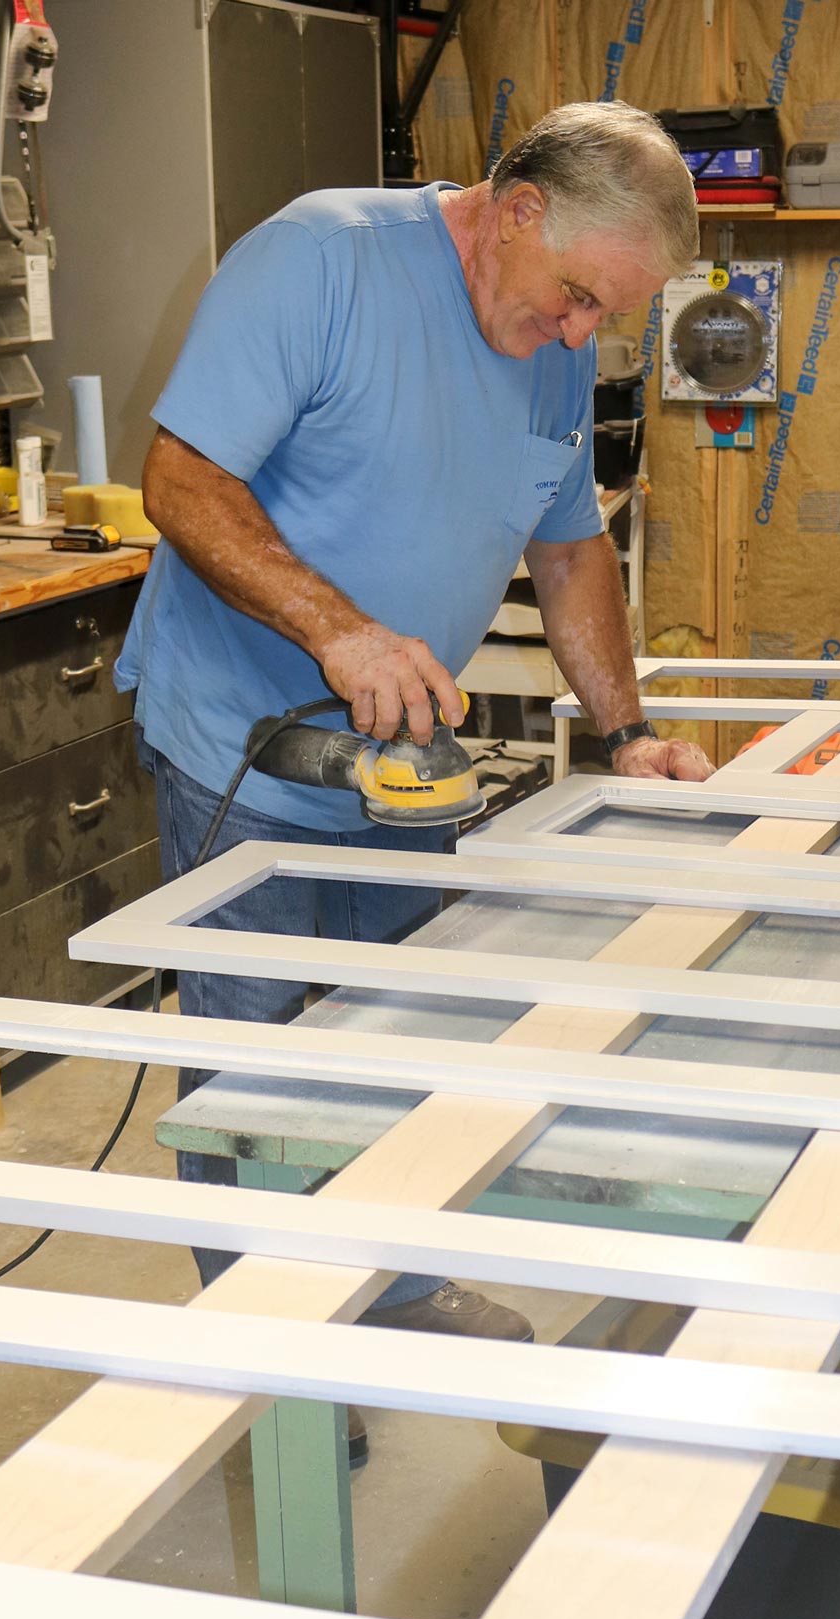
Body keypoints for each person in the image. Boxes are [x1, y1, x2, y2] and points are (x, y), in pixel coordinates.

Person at [117, 101, 710, 1366]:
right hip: (246, 757)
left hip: (399, 778)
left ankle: (394, 1295)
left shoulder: (547, 337)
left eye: (603, 314)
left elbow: (567, 547)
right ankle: (265, 1355)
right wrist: (339, 630)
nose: (577, 334)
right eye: (574, 297)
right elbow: (179, 482)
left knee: (412, 1048)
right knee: (254, 1077)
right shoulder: (319, 261)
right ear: (517, 211)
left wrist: (627, 733)